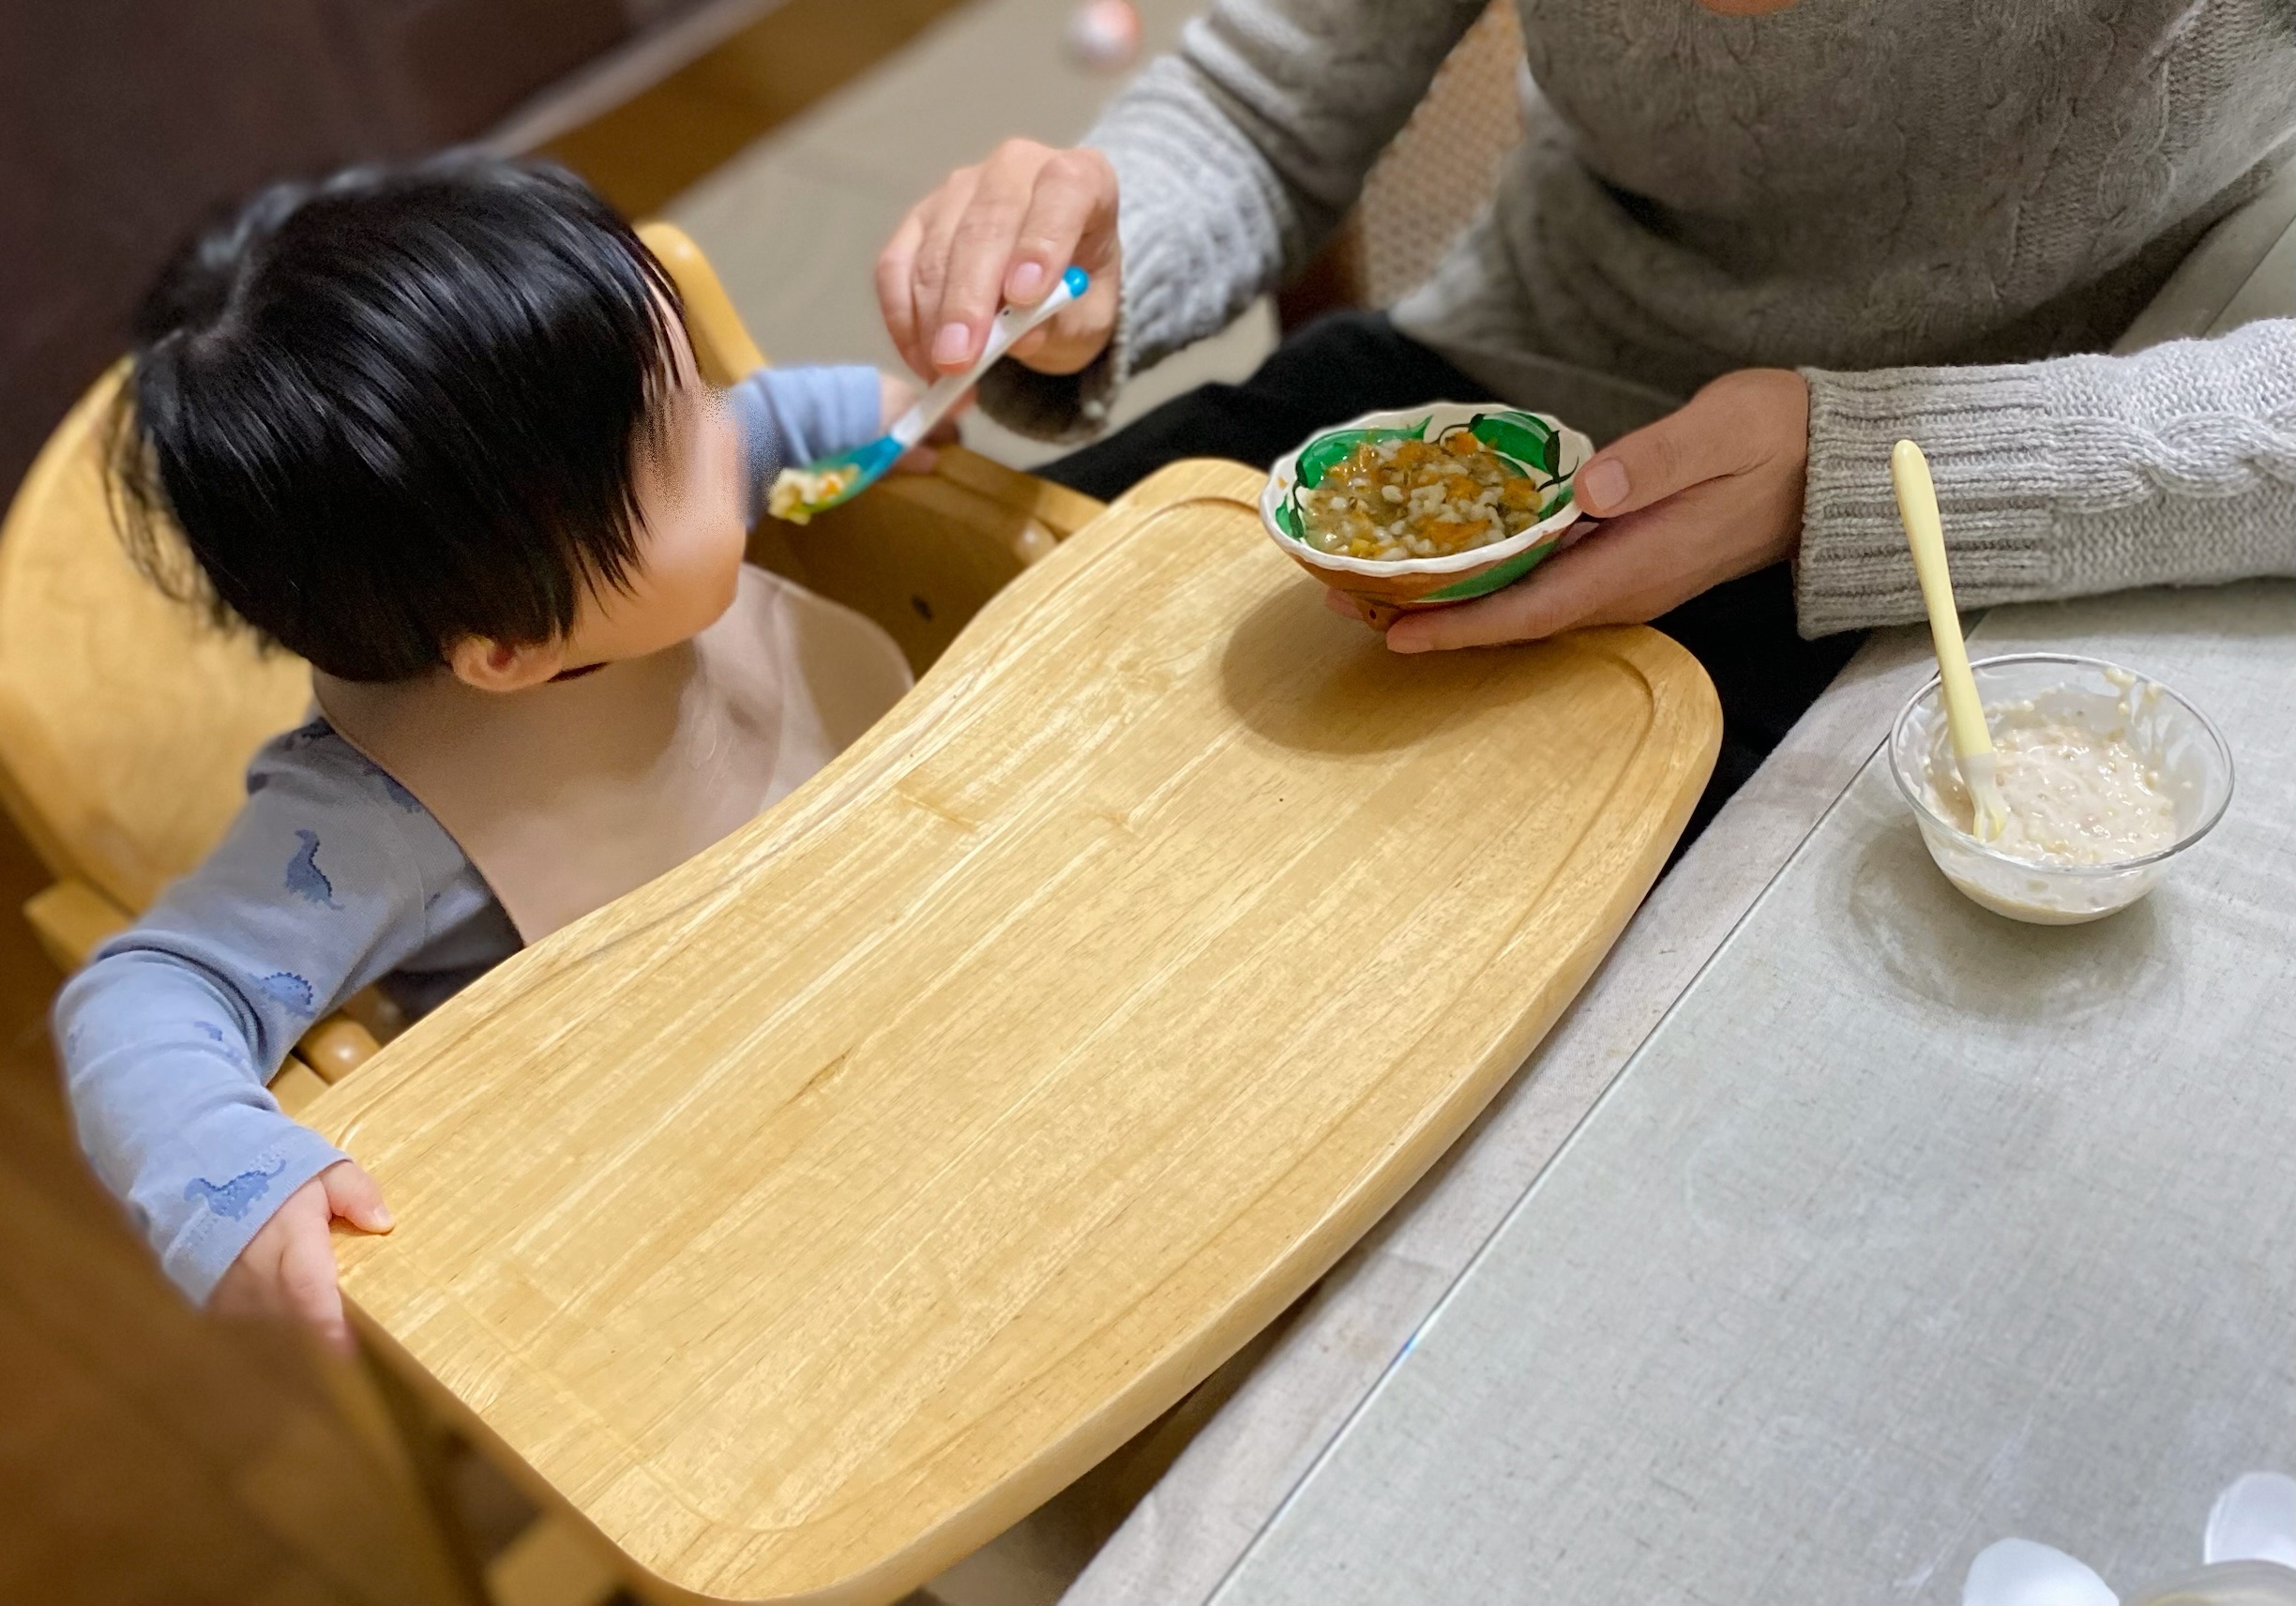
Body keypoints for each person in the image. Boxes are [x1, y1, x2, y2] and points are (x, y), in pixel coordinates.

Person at [878, 0, 2296, 835]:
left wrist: (1857, 475)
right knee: (963, 744)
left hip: (1973, 510)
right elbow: (1261, 105)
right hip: (1500, 367)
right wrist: (1094, 248)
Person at [56, 157, 928, 1350]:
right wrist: (227, 1170)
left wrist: (887, 413)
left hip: (894, 973)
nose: (732, 431)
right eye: (679, 442)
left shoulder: (611, 541)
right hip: (701, 1176)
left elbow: (767, 431)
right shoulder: (379, 825)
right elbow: (143, 994)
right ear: (507, 651)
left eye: (691, 388)